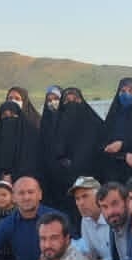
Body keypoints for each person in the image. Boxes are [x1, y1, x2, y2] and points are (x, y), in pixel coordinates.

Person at [39, 87, 108, 237]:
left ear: (82, 100)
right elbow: (51, 153)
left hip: (91, 183)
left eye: (75, 100)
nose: (71, 104)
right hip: (62, 187)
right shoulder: (56, 127)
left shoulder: (95, 124)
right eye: (67, 101)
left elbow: (102, 153)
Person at [0, 102, 39, 226]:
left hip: (25, 197)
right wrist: (1, 179)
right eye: (5, 116)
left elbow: (34, 166)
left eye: (12, 115)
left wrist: (16, 178)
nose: (8, 119)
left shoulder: (30, 138)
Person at [69, 176, 112, 260]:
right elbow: (89, 255)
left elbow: (124, 257)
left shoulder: (113, 215)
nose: (81, 203)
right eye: (77, 199)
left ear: (99, 197)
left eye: (85, 196)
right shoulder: (85, 220)